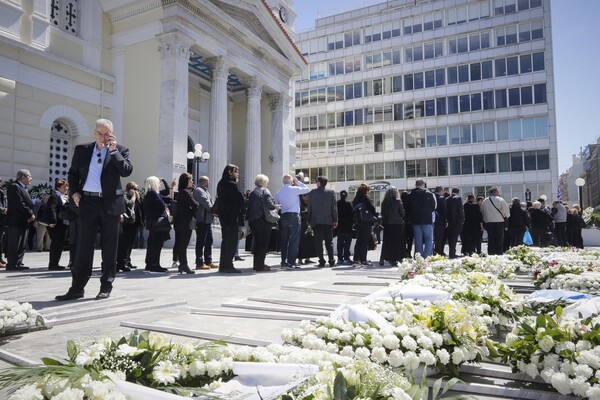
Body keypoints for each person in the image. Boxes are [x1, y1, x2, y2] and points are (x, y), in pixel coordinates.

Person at [56, 118, 133, 301]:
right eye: (100, 133)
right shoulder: (82, 150)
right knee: (83, 246)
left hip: (110, 204)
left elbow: (126, 171)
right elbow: (73, 174)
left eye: (107, 133)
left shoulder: (120, 150)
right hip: (87, 203)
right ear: (94, 132)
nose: (103, 137)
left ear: (112, 134)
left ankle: (106, 286)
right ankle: (77, 288)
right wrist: (74, 192)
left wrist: (113, 152)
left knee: (109, 247)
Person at [275, 174, 310, 269]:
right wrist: (297, 182)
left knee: (284, 240)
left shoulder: (279, 192)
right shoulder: (293, 189)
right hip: (294, 216)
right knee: (294, 240)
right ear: (291, 182)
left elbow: (276, 205)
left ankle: (283, 261)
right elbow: (307, 189)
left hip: (283, 216)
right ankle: (291, 262)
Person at [216, 164, 245, 274]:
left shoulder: (220, 183)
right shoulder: (231, 184)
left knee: (225, 241)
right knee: (231, 241)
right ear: (230, 172)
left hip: (224, 217)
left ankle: (223, 265)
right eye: (236, 171)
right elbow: (240, 199)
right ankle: (228, 265)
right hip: (231, 217)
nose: (237, 173)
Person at [142, 176, 174, 273]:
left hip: (154, 223)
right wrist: (166, 208)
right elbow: (161, 205)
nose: (160, 184)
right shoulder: (153, 193)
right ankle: (155, 265)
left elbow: (169, 199)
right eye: (158, 182)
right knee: (156, 244)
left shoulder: (154, 193)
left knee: (153, 243)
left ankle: (150, 263)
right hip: (157, 223)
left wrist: (171, 187)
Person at [247, 174, 278, 272]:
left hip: (253, 221)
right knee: (263, 244)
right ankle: (260, 266)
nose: (267, 184)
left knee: (257, 243)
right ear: (263, 182)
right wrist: (276, 206)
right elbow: (270, 205)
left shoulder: (253, 192)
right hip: (262, 221)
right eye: (267, 182)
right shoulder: (265, 191)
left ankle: (257, 265)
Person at [6, 169, 35, 271]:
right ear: (23, 177)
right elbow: (20, 204)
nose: (31, 179)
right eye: (29, 176)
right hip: (15, 221)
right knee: (14, 243)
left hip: (23, 221)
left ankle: (18, 262)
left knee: (22, 243)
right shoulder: (14, 187)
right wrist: (30, 214)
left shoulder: (24, 188)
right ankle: (12, 264)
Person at [307, 176, 338, 267]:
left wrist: (309, 219)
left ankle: (321, 261)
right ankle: (331, 261)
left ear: (319, 182)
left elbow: (309, 208)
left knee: (318, 242)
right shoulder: (331, 193)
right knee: (329, 242)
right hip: (328, 221)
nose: (316, 183)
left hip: (316, 221)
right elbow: (334, 208)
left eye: (316, 181)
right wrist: (335, 219)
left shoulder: (312, 193)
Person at [171, 173, 198, 274]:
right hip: (185, 222)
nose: (192, 182)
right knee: (183, 244)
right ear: (185, 181)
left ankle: (182, 265)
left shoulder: (181, 192)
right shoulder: (185, 192)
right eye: (190, 180)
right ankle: (184, 264)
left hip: (181, 222)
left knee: (181, 244)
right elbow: (195, 205)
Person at [405, 180, 437, 258]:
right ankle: (427, 255)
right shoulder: (430, 194)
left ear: (415, 184)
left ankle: (418, 255)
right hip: (427, 219)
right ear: (423, 184)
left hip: (415, 219)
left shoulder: (410, 195)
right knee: (428, 238)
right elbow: (434, 207)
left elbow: (407, 208)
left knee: (418, 239)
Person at [116, 181, 144, 272]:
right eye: (135, 189)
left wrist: (138, 198)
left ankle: (127, 261)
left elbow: (140, 207)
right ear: (130, 189)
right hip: (126, 223)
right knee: (124, 244)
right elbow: (128, 204)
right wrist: (133, 197)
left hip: (134, 223)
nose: (137, 191)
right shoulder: (125, 196)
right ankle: (121, 262)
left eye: (137, 189)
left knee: (130, 243)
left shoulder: (137, 197)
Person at [193, 176, 218, 270]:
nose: (208, 183)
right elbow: (206, 203)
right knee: (201, 242)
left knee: (209, 241)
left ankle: (208, 261)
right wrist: (214, 211)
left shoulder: (205, 190)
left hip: (207, 220)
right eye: (207, 182)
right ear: (204, 181)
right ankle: (199, 262)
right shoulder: (199, 190)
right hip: (202, 220)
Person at [351, 184, 377, 266]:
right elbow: (372, 209)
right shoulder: (366, 198)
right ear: (366, 191)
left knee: (359, 240)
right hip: (366, 222)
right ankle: (363, 259)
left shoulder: (355, 199)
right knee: (365, 241)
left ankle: (356, 259)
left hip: (358, 223)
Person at [46, 179, 69, 270]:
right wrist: (53, 221)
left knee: (59, 244)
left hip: (63, 224)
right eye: (64, 186)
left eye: (67, 186)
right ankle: (53, 264)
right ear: (58, 187)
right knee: (56, 244)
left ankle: (55, 263)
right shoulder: (55, 196)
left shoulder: (64, 197)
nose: (66, 188)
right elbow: (51, 209)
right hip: (56, 225)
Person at [379, 186, 405, 266]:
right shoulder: (398, 201)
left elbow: (383, 214)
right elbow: (402, 213)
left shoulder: (384, 202)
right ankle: (396, 258)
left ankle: (382, 258)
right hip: (397, 224)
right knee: (397, 242)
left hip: (387, 224)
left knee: (387, 242)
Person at [480, 187, 509, 255]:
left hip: (488, 222)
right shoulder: (500, 199)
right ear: (496, 192)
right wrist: (506, 216)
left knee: (491, 238)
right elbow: (506, 211)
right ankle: (499, 252)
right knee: (499, 238)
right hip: (499, 221)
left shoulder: (485, 201)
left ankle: (491, 252)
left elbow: (482, 211)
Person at [297, 194, 317, 264]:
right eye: (305, 196)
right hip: (302, 225)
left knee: (310, 241)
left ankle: (308, 258)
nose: (307, 197)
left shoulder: (310, 204)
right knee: (302, 242)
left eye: (308, 195)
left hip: (310, 225)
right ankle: (300, 259)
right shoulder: (300, 205)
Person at [335, 190, 354, 265]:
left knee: (340, 243)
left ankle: (340, 258)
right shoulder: (349, 204)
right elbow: (352, 215)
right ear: (346, 196)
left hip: (339, 227)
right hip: (348, 227)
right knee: (347, 244)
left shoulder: (337, 204)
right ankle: (346, 258)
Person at [445, 188, 464, 258]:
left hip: (449, 221)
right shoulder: (458, 198)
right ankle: (452, 253)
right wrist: (462, 220)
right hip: (457, 221)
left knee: (450, 238)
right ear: (458, 192)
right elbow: (461, 210)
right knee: (454, 237)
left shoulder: (447, 199)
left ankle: (451, 252)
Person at [433, 186, 447, 256]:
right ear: (441, 190)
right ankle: (438, 251)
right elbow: (444, 210)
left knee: (432, 237)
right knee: (439, 237)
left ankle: (433, 251)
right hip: (440, 221)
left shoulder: (431, 197)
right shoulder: (441, 198)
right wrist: (446, 220)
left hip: (432, 220)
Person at [0, 177, 7, 268]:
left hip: (2, 218)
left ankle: (0, 259)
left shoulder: (2, 191)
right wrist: (3, 209)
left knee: (0, 240)